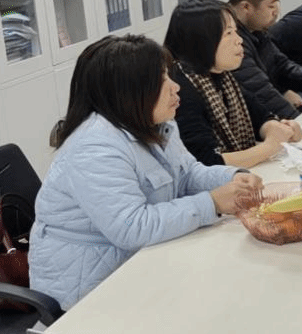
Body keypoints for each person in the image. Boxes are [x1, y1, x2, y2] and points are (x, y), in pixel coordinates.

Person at [29, 35, 263, 309]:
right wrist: (212, 203)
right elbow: (132, 227)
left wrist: (233, 178)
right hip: (90, 293)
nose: (176, 87)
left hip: (143, 264)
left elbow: (187, 174)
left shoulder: (155, 123)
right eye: (162, 80)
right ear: (130, 91)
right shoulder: (94, 147)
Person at [164, 0, 302, 167]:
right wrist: (270, 147)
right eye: (229, 33)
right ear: (202, 41)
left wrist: (279, 129)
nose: (239, 40)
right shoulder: (179, 89)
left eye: (236, 31)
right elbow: (206, 161)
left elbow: (260, 116)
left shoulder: (222, 76)